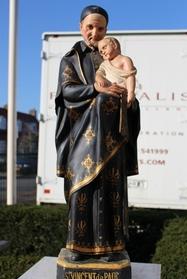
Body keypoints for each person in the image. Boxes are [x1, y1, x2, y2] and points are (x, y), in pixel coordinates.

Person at [55, 5, 140, 262]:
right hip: (81, 136)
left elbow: (128, 84)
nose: (95, 32)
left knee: (109, 190)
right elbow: (67, 92)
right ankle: (78, 248)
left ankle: (110, 248)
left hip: (111, 138)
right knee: (83, 189)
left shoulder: (115, 59)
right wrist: (95, 89)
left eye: (100, 28)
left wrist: (129, 100)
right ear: (81, 27)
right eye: (90, 27)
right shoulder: (71, 59)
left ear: (107, 30)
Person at [96, 37, 137, 108]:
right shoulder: (105, 64)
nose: (103, 52)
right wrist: (99, 78)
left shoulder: (125, 60)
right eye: (101, 52)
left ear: (114, 45)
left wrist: (131, 92)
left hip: (123, 91)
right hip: (110, 91)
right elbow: (99, 73)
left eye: (104, 48)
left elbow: (130, 76)